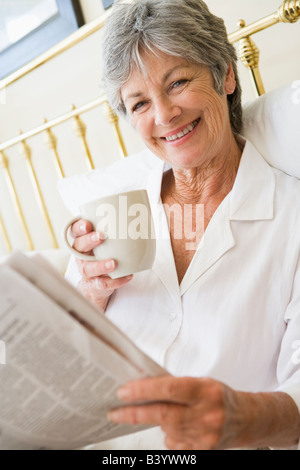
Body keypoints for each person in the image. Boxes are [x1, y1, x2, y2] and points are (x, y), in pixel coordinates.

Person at [61, 0, 300, 450]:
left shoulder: (293, 217)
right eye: (139, 103)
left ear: (226, 75)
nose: (164, 115)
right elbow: (59, 353)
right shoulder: (111, 215)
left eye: (178, 82)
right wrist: (90, 294)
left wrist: (241, 419)